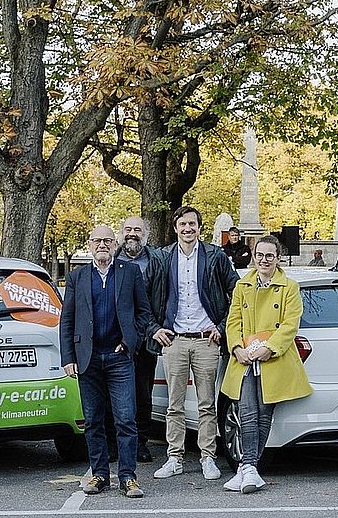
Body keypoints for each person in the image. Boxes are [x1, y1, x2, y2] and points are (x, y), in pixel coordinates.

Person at [60, 224, 154, 498]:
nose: (102, 245)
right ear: (89, 244)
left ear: (116, 244)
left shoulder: (130, 272)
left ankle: (128, 477)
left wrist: (130, 341)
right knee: (93, 420)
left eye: (107, 241)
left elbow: (143, 312)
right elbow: (67, 320)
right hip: (87, 358)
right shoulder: (77, 277)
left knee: (126, 420)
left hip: (119, 358)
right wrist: (68, 357)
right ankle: (100, 474)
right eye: (97, 240)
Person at [151, 206, 239, 482]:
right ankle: (174, 457)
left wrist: (222, 327)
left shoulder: (215, 255)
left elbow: (237, 292)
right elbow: (149, 296)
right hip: (175, 340)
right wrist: (156, 329)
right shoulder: (163, 256)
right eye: (183, 224)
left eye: (192, 224)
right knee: (173, 404)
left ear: (200, 227)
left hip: (206, 340)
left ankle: (208, 457)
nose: (188, 229)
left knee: (206, 404)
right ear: (175, 227)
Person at [221, 235, 312, 493]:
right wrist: (236, 347)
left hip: (272, 358)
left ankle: (247, 468)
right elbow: (233, 320)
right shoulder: (243, 285)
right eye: (260, 254)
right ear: (254, 256)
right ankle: (249, 467)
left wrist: (269, 348)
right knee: (247, 412)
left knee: (263, 415)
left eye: (269, 255)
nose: (264, 259)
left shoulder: (289, 287)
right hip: (245, 358)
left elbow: (290, 324)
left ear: (278, 258)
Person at [114, 215, 167, 463]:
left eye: (137, 229)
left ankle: (140, 443)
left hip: (147, 337)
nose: (132, 233)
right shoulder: (111, 260)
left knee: (143, 393)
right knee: (113, 391)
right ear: (121, 233)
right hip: (116, 337)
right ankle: (115, 442)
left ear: (145, 234)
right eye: (128, 229)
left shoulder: (157, 260)